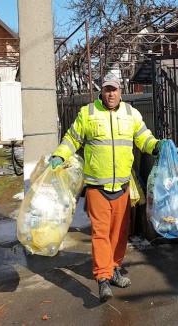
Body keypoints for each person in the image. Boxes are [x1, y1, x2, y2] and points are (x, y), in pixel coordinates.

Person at [51, 74, 164, 302]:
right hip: (97, 188)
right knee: (101, 234)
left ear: (120, 91)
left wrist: (157, 146)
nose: (110, 93)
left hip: (122, 186)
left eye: (114, 89)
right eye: (106, 89)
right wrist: (59, 155)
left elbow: (144, 138)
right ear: (101, 92)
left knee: (120, 233)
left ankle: (113, 269)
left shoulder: (131, 114)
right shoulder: (88, 113)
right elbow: (72, 139)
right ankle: (102, 279)